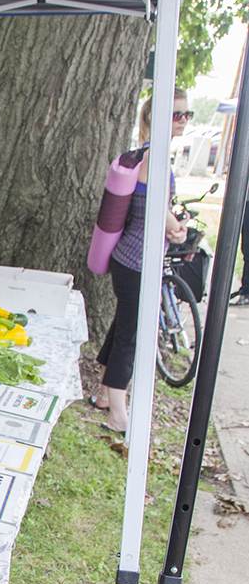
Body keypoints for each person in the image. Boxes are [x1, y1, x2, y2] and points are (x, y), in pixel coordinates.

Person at [92, 90, 190, 432]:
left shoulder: (150, 156)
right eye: (176, 114)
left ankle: (105, 393)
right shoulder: (154, 159)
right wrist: (175, 228)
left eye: (186, 115)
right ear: (156, 118)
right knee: (130, 336)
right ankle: (118, 412)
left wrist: (172, 228)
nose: (182, 122)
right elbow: (153, 208)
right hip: (136, 262)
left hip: (130, 259)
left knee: (123, 324)